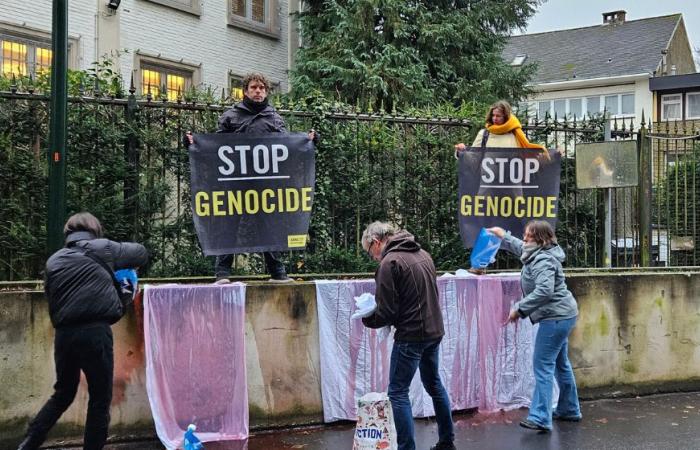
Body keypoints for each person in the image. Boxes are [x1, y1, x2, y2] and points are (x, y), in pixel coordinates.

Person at [18, 212, 148, 450]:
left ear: (68, 233)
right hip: (95, 333)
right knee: (100, 400)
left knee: (63, 393)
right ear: (94, 230)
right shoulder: (103, 248)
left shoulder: (54, 261)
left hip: (64, 336)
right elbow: (140, 253)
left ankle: (28, 442)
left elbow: (52, 298)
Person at [186, 72, 316, 283]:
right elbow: (216, 148)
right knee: (229, 224)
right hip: (236, 183)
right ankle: (222, 274)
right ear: (245, 91)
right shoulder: (231, 116)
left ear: (266, 92)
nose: (258, 91)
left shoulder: (274, 118)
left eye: (262, 88)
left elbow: (286, 148)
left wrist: (307, 142)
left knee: (269, 226)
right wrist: (195, 144)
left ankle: (278, 273)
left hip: (265, 185)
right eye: (254, 88)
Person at [360, 221, 455, 450]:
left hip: (411, 335)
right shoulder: (423, 254)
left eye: (369, 251)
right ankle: (447, 441)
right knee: (434, 384)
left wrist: (366, 318)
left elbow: (387, 310)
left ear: (376, 242)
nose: (373, 257)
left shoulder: (389, 263)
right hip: (434, 331)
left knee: (398, 392)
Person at [488, 221, 581, 433]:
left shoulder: (543, 261)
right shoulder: (538, 252)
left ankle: (540, 417)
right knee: (560, 363)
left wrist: (519, 309)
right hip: (562, 315)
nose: (524, 239)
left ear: (540, 240)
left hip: (554, 318)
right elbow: (520, 247)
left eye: (528, 236)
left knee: (543, 366)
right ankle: (569, 409)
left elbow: (545, 291)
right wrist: (503, 234)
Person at [454, 100, 546, 155]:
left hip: (512, 184)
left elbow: (532, 158)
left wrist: (556, 155)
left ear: (506, 117)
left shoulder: (516, 134)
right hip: (488, 184)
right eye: (493, 115)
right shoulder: (484, 134)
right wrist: (462, 151)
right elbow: (474, 158)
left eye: (498, 116)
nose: (494, 118)